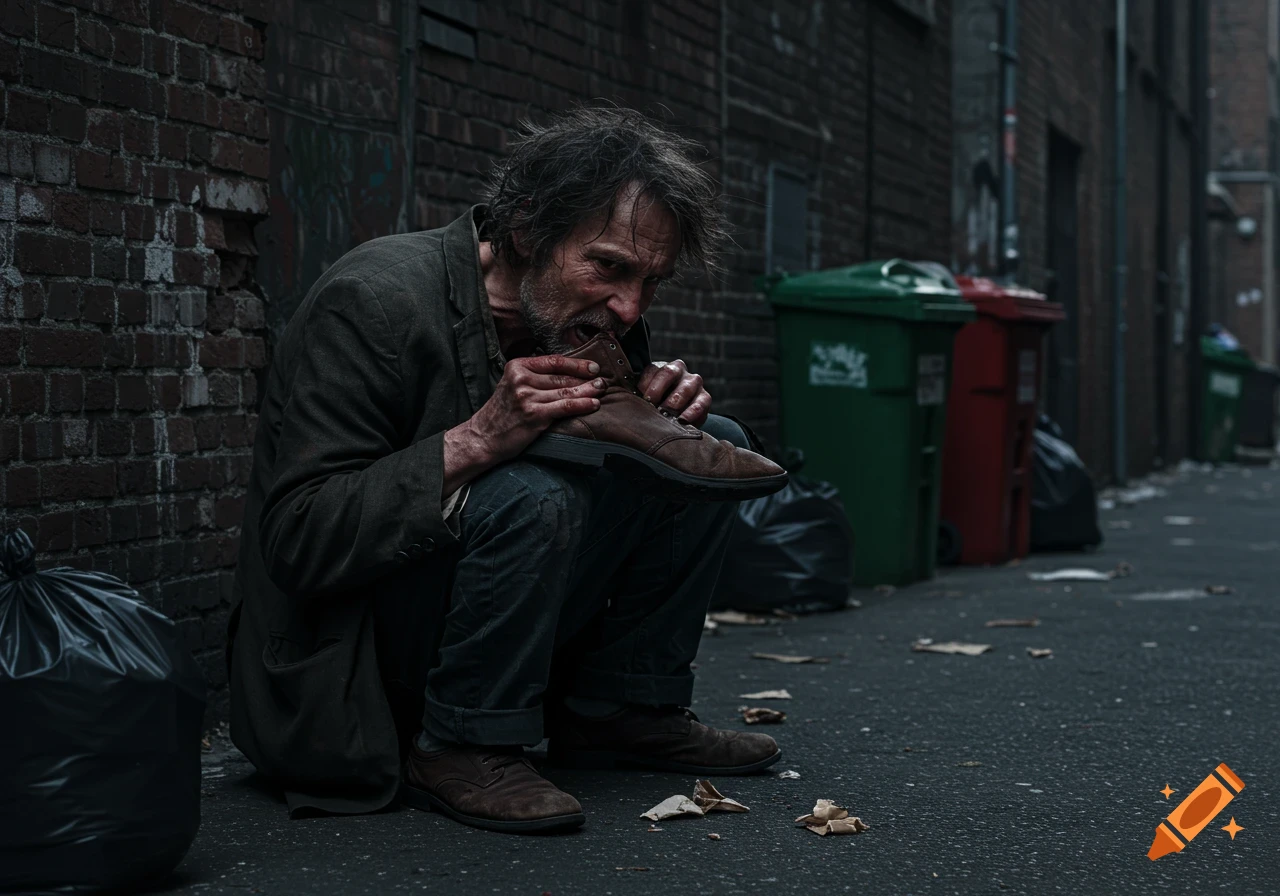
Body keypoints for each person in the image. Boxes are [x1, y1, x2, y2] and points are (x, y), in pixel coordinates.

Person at [227, 107, 782, 834]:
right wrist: (479, 438)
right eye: (610, 266)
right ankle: (464, 743)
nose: (629, 305)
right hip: (341, 672)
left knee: (712, 446)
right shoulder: (374, 301)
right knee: (531, 491)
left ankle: (620, 709)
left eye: (652, 281)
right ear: (526, 230)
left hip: (456, 624)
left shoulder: (575, 315)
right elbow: (299, 539)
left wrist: (660, 409)